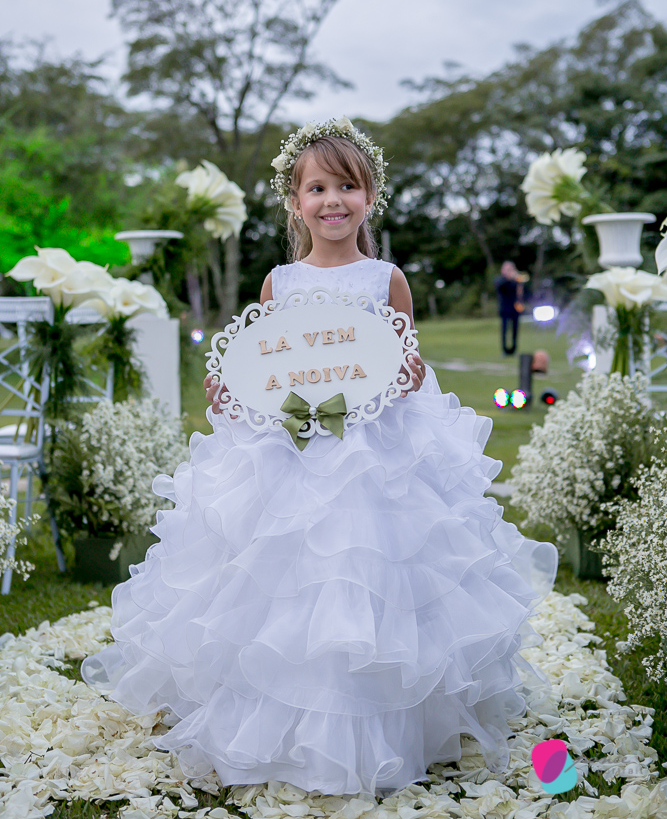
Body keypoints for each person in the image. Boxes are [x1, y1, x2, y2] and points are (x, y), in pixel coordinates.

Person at [82, 119, 557, 796]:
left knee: (369, 579)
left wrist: (408, 373)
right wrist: (233, 390)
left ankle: (395, 722)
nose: (332, 200)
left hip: (374, 459)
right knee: (280, 583)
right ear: (294, 202)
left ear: (369, 196)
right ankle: (267, 718)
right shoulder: (279, 282)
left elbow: (405, 367)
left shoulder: (385, 278)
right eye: (316, 188)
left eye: (346, 186)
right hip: (289, 453)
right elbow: (267, 366)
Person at [495, 261, 525, 356]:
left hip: (515, 308)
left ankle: (513, 350)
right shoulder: (500, 280)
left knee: (515, 330)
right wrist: (508, 277)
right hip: (504, 308)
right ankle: (505, 350)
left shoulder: (516, 280)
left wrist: (518, 281)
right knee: (504, 330)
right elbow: (499, 287)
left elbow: (521, 292)